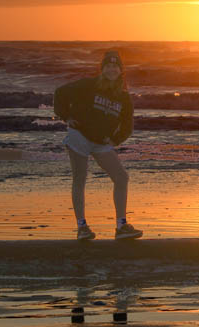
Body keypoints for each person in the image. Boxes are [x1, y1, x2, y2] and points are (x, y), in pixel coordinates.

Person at [53, 50, 142, 240]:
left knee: (121, 177)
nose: (112, 69)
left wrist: (115, 140)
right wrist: (66, 116)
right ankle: (82, 227)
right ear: (102, 69)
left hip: (101, 143)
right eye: (108, 66)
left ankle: (121, 226)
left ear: (120, 70)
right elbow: (60, 93)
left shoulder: (124, 98)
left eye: (115, 66)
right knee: (80, 178)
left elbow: (127, 126)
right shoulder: (88, 85)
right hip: (80, 137)